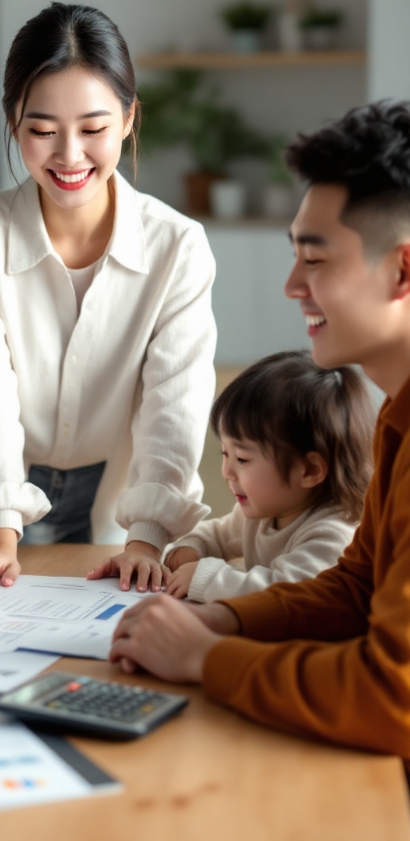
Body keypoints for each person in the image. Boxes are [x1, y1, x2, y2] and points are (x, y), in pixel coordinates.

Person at [109, 101, 410, 770]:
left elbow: (393, 697)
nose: (290, 286)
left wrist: (205, 657)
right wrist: (227, 619)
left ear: (400, 270)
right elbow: (355, 586)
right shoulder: (397, 415)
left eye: (314, 260)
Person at [0, 3, 217, 593]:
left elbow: (174, 404)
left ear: (129, 119)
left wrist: (148, 536)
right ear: (13, 122)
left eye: (94, 128)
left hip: (118, 510)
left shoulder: (178, 246)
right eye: (43, 131)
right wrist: (2, 533)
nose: (70, 155)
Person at [165, 350, 375, 602]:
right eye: (225, 453)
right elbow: (217, 534)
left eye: (242, 459)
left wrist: (205, 578)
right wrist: (192, 547)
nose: (227, 471)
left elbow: (285, 595)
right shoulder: (266, 512)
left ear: (309, 470)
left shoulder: (332, 536)